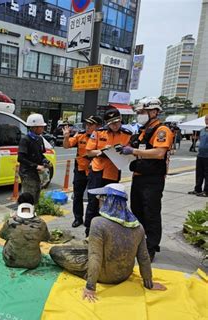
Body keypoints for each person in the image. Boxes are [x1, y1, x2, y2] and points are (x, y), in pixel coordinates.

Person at [50, 184, 167, 302]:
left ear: (107, 200)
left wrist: (90, 287)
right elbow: (144, 257)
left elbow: (95, 256)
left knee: (55, 251)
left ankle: (91, 276)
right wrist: (149, 282)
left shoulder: (98, 223)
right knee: (87, 245)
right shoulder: (138, 227)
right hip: (124, 275)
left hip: (104, 276)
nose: (98, 200)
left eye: (100, 197)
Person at [119, 97, 174, 261]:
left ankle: (151, 247)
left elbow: (159, 153)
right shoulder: (143, 131)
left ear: (154, 112)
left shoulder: (162, 130)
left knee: (151, 213)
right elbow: (134, 149)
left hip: (153, 180)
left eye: (142, 112)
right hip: (139, 178)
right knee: (137, 212)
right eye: (139, 112)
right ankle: (139, 243)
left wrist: (133, 151)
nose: (139, 115)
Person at [84, 108, 132, 236]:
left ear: (121, 120)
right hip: (97, 171)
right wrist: (100, 152)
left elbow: (131, 152)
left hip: (113, 172)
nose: (115, 125)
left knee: (111, 203)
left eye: (117, 122)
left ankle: (108, 232)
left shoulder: (127, 135)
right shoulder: (99, 133)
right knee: (93, 202)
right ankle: (89, 232)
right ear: (107, 123)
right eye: (111, 123)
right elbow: (89, 152)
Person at [62, 115, 103, 228]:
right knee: (78, 195)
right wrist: (66, 137)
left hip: (94, 170)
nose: (87, 127)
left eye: (91, 125)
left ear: (98, 126)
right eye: (87, 124)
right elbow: (66, 146)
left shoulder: (102, 137)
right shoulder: (80, 135)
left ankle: (91, 220)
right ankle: (78, 218)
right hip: (80, 170)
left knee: (93, 197)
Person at [0, 193, 51, 269]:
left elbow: (2, 235)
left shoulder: (11, 221)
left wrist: (12, 220)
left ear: (19, 205)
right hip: (33, 263)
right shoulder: (41, 223)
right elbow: (46, 238)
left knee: (9, 237)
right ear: (33, 205)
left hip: (10, 261)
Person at [18, 113, 51, 204]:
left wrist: (45, 160)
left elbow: (40, 155)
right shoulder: (25, 140)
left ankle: (33, 212)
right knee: (28, 196)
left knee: (36, 192)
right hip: (27, 173)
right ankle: (25, 214)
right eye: (41, 127)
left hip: (36, 173)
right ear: (35, 127)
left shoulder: (40, 139)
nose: (43, 129)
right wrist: (36, 166)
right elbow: (20, 158)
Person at [188, 115, 208, 197]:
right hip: (200, 155)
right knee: (199, 173)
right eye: (206, 119)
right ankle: (197, 189)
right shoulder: (202, 130)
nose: (207, 120)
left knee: (207, 174)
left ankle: (206, 191)